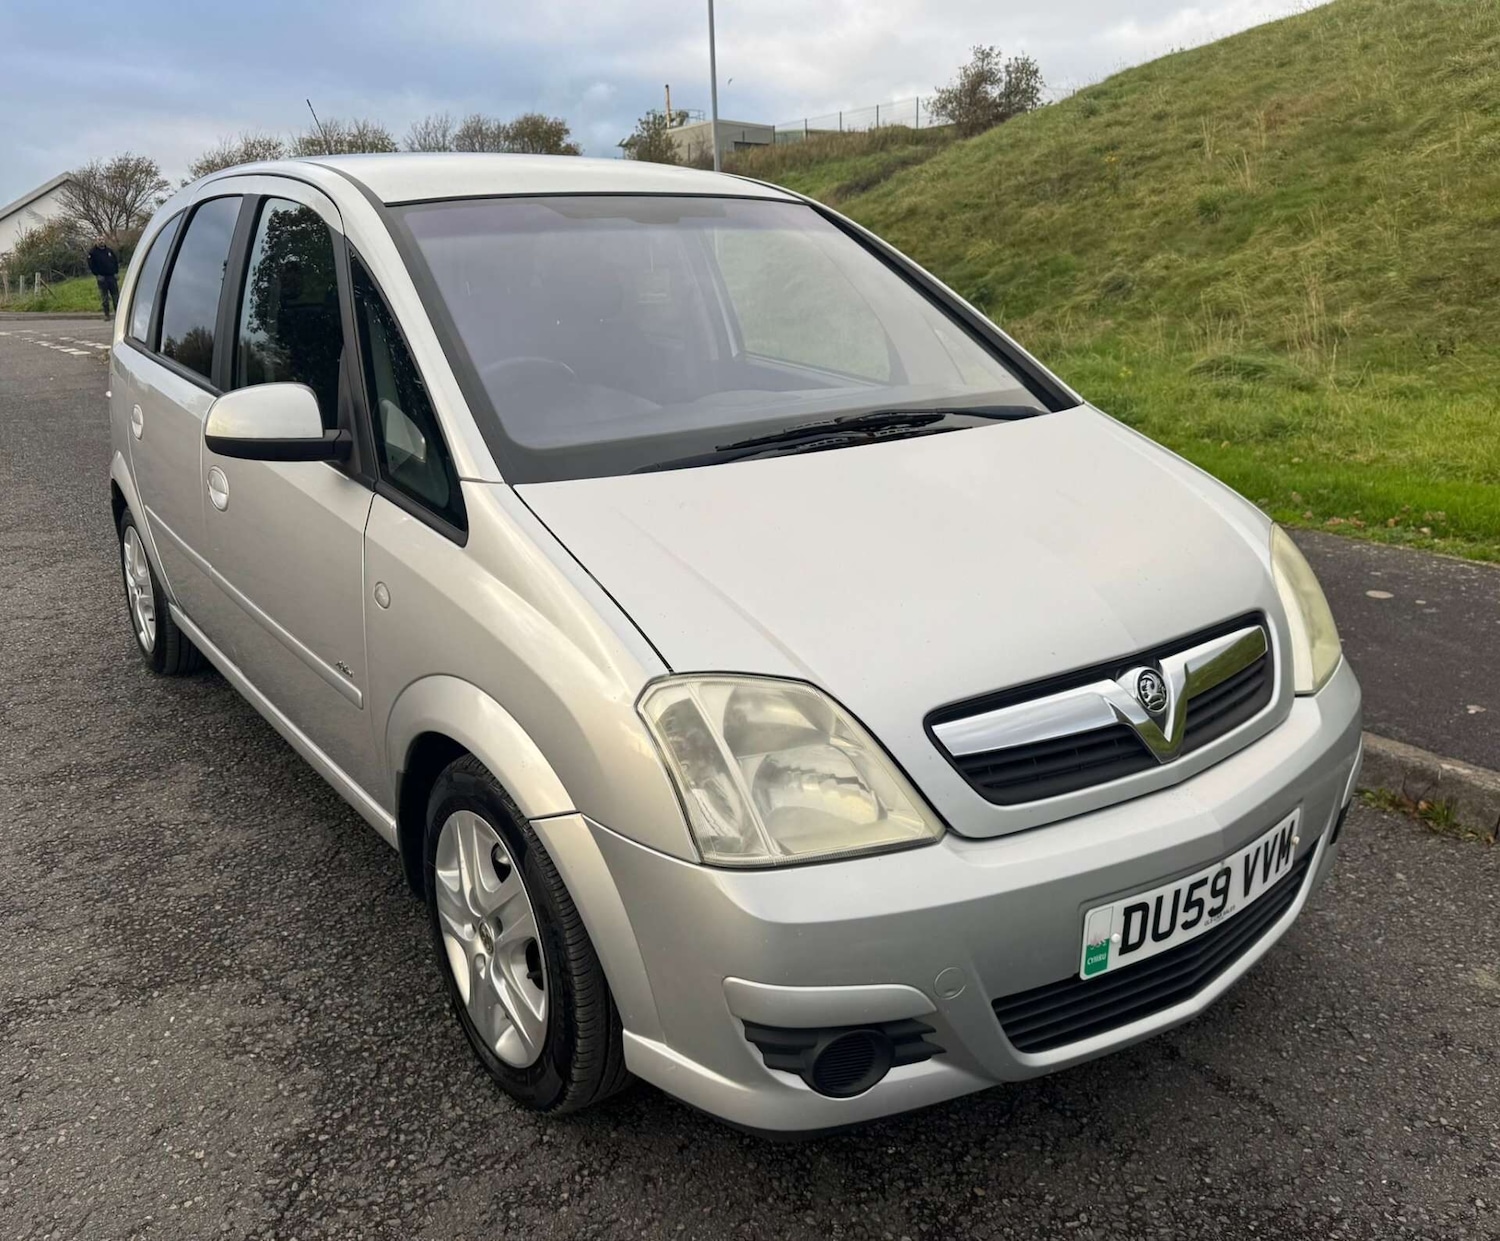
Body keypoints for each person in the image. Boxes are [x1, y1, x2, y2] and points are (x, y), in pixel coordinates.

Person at [87, 238, 120, 320]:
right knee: (104, 297)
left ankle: (118, 314)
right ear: (96, 241)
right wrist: (97, 274)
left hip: (111, 276)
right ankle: (107, 315)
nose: (101, 241)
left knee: (116, 296)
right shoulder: (93, 252)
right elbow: (91, 265)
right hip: (102, 277)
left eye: (102, 240)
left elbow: (115, 262)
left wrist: (116, 272)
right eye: (99, 240)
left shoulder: (109, 251)